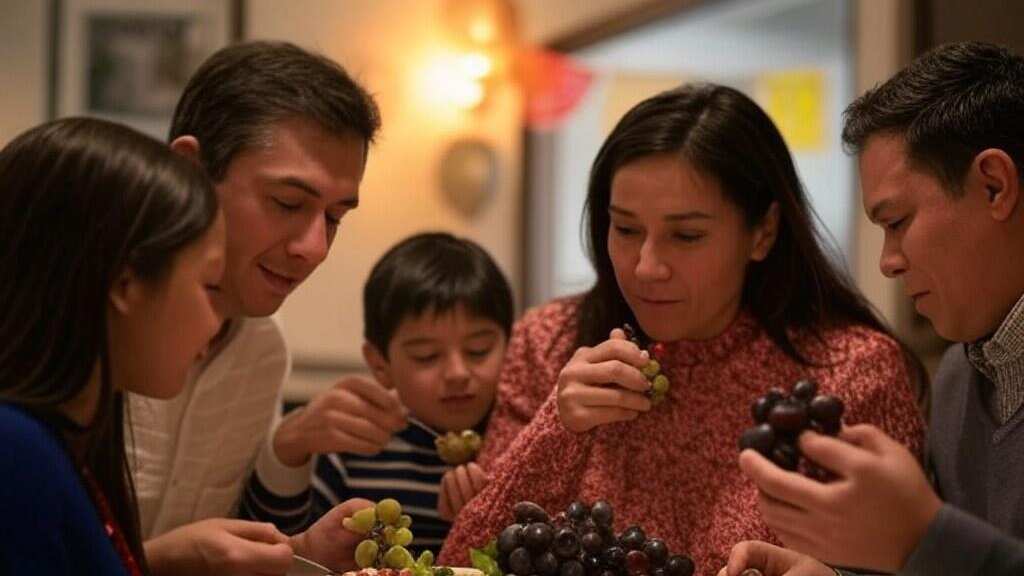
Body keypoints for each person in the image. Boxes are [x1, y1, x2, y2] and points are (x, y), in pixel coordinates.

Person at [437, 83, 925, 573]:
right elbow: (463, 560)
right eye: (626, 229)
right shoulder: (550, 341)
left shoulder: (852, 372)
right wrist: (558, 427)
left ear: (763, 232)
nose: (647, 267)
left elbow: (905, 560)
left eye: (686, 236)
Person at [726, 41, 1024, 576]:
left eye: (897, 222)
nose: (887, 262)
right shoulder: (960, 375)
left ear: (993, 185)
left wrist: (921, 539)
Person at [131, 40, 385, 574]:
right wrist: (168, 558)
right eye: (288, 204)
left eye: (335, 217)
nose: (314, 249)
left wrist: (302, 551)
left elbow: (220, 537)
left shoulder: (262, 349)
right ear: (190, 171)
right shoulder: (86, 324)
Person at [0, 117, 225, 574]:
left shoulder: (57, 445)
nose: (214, 325)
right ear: (126, 283)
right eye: (210, 285)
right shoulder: (15, 451)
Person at [242, 232, 515, 554]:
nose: (457, 373)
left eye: (478, 350)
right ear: (380, 364)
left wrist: (487, 522)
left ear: (513, 346)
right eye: (426, 356)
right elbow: (280, 551)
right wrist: (289, 451)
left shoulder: (519, 443)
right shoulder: (351, 448)